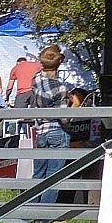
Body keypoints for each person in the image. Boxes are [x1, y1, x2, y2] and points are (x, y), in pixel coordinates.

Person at [28, 45, 72, 206]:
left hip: (41, 130)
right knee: (54, 176)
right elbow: (63, 117)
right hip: (57, 130)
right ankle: (45, 212)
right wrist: (74, 107)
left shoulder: (35, 81)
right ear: (59, 63)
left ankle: (30, 207)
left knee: (38, 173)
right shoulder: (61, 87)